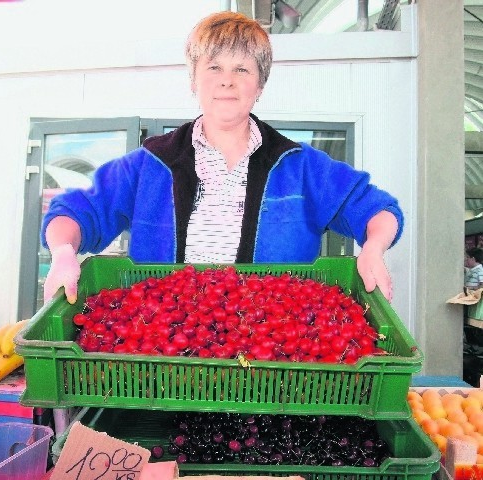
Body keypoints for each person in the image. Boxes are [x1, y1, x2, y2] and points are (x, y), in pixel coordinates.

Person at [41, 11, 403, 306]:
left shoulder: (300, 165)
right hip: (166, 348)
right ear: (193, 81)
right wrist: (62, 253)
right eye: (214, 67)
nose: (227, 81)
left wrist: (372, 248)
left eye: (242, 69)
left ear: (259, 86)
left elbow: (377, 209)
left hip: (270, 351)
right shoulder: (149, 164)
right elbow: (73, 213)